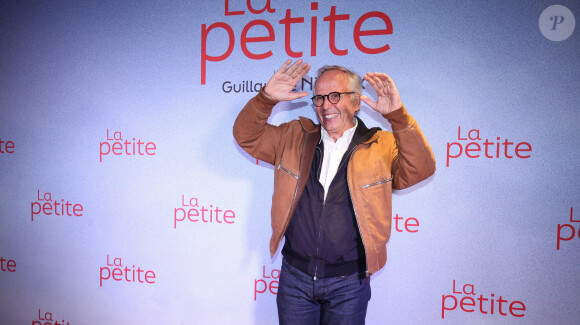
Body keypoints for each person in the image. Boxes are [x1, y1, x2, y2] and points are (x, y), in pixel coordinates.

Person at [233, 59, 436, 324]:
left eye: (335, 96)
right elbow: (246, 136)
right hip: (295, 279)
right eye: (319, 98)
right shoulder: (293, 137)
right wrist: (265, 99)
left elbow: (420, 169)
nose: (326, 105)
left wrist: (397, 118)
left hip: (348, 285)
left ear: (356, 101)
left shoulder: (381, 145)